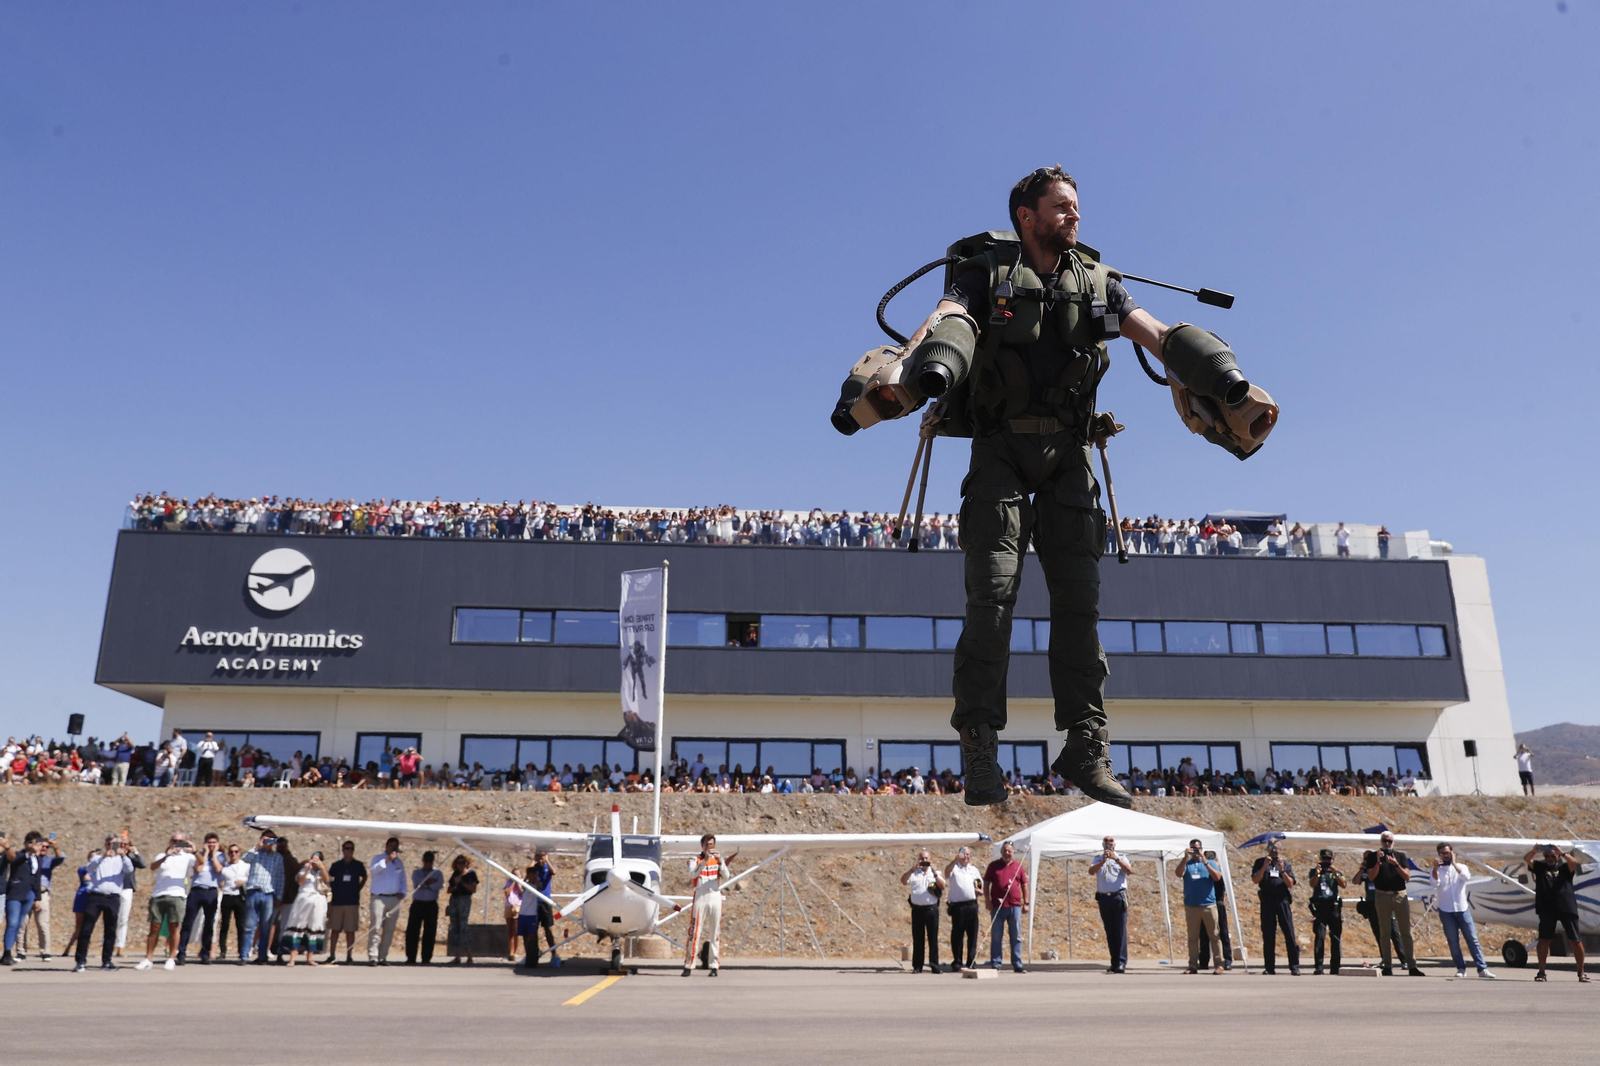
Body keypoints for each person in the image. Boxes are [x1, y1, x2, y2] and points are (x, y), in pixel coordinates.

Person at [903, 166, 1181, 809]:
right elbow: (947, 316)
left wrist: (1212, 372)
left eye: (1077, 206)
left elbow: (1154, 333)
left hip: (1070, 455)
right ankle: (979, 745)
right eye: (1062, 207)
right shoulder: (984, 275)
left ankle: (1087, 746)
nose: (1074, 217)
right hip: (999, 448)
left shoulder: (1097, 283)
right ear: (1027, 216)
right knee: (992, 598)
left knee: (1080, 606)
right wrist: (906, 368)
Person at [1362, 832, 1424, 976]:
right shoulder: (1373, 856)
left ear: (1393, 842)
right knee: (1385, 932)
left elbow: (1407, 877)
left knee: (1405, 932)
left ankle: (1411, 965)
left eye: (1389, 841)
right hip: (1382, 895)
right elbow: (1371, 876)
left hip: (1399, 895)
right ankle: (1387, 965)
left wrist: (1395, 864)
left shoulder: (1400, 856)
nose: (1387, 844)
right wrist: (1378, 861)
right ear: (1381, 841)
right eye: (1384, 841)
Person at [1526, 843, 1587, 983]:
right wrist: (1534, 851)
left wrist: (1563, 853)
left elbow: (1574, 862)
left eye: (1552, 856)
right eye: (1547, 856)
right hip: (1547, 909)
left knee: (1575, 940)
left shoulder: (1565, 868)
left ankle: (1581, 972)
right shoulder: (1540, 868)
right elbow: (1527, 860)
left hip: (1567, 908)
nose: (1549, 858)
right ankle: (1541, 972)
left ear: (1557, 856)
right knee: (1544, 940)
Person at [1431, 844, 1493, 979]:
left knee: (1472, 939)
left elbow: (1466, 877)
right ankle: (1461, 968)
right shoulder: (1436, 870)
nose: (1445, 855)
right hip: (1446, 910)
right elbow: (1434, 884)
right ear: (1438, 855)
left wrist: (1453, 863)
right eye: (1442, 853)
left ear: (1452, 853)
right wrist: (1435, 869)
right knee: (1453, 941)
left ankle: (1482, 969)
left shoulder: (1461, 867)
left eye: (1447, 852)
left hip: (1462, 909)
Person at [75, 836, 133, 972]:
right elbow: (89, 867)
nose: (113, 847)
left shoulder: (122, 860)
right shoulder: (97, 858)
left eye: (115, 844)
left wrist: (123, 855)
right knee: (86, 928)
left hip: (113, 897)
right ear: (106, 844)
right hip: (96, 896)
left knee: (110, 930)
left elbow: (129, 869)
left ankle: (107, 960)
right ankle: (81, 960)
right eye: (110, 844)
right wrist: (103, 858)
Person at [683, 833, 733, 977]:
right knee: (694, 931)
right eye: (706, 844)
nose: (708, 847)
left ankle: (714, 966)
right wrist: (704, 860)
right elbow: (693, 874)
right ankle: (689, 965)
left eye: (711, 844)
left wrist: (720, 861)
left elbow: (726, 875)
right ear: (702, 846)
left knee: (715, 932)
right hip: (700, 894)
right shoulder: (694, 859)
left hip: (715, 894)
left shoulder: (717, 860)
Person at [1251, 841, 1301, 975]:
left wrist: (1282, 870)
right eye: (1271, 848)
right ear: (1267, 849)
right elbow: (1255, 880)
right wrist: (1264, 867)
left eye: (1276, 848)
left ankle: (1294, 966)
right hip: (1267, 901)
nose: (1274, 851)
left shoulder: (1285, 864)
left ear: (1280, 849)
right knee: (1268, 935)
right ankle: (1269, 967)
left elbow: (1290, 883)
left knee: (1289, 933)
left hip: (1282, 901)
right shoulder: (1260, 862)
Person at [176, 833, 225, 964]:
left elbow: (218, 869)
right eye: (209, 842)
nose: (211, 845)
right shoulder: (198, 856)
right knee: (188, 922)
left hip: (211, 891)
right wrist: (206, 853)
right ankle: (181, 952)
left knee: (209, 924)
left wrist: (213, 854)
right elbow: (198, 868)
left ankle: (205, 953)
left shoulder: (221, 856)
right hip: (197, 890)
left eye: (214, 842)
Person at [239, 828, 285, 965]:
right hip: (253, 891)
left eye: (272, 839)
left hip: (268, 894)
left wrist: (279, 896)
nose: (269, 842)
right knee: (248, 926)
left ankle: (262, 955)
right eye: (266, 839)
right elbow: (245, 859)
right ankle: (244, 955)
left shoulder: (277, 857)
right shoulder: (256, 854)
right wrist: (257, 846)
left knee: (265, 926)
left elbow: (280, 878)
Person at [983, 841, 1029, 973]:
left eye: (1009, 851)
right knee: (996, 936)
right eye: (1005, 850)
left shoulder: (1018, 867)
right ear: (1001, 852)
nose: (1007, 853)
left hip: (1014, 906)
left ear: (1013, 852)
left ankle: (1017, 963)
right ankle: (996, 963)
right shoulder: (993, 866)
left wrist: (1026, 903)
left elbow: (1024, 885)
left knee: (1016, 936)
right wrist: (987, 900)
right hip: (997, 906)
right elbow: (986, 884)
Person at [1180, 839, 1224, 975]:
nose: (1195, 851)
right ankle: (1193, 965)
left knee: (1215, 936)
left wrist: (1205, 861)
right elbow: (1178, 873)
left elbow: (1217, 877)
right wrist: (1184, 858)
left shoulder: (1210, 863)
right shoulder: (1187, 864)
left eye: (1197, 848)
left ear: (1202, 848)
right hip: (1192, 906)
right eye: (1193, 848)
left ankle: (1219, 964)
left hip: (1208, 905)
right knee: (1193, 937)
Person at [1089, 834, 1131, 974]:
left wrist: (1116, 859)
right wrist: (1103, 861)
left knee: (1120, 931)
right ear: (1102, 844)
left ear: (1115, 844)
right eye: (1106, 841)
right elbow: (1091, 871)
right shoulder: (1098, 858)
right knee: (1110, 931)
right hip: (1104, 898)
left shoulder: (1122, 857)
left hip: (1118, 897)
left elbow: (1129, 871)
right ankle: (1114, 962)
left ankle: (1121, 962)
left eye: (1111, 841)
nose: (1109, 843)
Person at [19, 834, 64, 962]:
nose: (44, 848)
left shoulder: (48, 861)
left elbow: (60, 858)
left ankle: (45, 951)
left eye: (46, 846)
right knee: (22, 923)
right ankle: (21, 952)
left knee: (43, 924)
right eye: (41, 845)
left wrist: (56, 847)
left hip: (42, 894)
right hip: (26, 893)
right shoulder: (27, 858)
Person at [281, 850, 329, 966]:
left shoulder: (322, 871)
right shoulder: (304, 870)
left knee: (314, 926)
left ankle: (310, 957)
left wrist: (321, 868)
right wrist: (308, 869)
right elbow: (300, 882)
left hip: (318, 900)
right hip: (303, 899)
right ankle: (292, 958)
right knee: (297, 926)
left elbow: (327, 881)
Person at [901, 849, 946, 973]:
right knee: (918, 938)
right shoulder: (914, 873)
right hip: (917, 909)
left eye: (926, 858)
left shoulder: (935, 872)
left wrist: (935, 873)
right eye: (922, 858)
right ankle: (917, 966)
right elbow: (903, 881)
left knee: (933, 938)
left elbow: (942, 886)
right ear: (918, 860)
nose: (924, 861)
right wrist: (911, 870)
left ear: (930, 860)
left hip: (931, 909)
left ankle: (934, 965)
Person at [367, 836, 406, 965]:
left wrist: (402, 892)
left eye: (395, 846)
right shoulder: (378, 859)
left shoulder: (399, 863)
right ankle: (373, 956)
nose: (393, 848)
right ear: (386, 846)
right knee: (376, 928)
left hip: (394, 898)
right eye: (391, 845)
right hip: (379, 898)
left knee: (389, 929)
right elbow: (373, 871)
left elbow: (403, 879)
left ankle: (383, 956)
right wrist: (387, 860)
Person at [325, 840, 365, 964]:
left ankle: (349, 955)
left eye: (351, 849)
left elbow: (365, 876)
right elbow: (329, 878)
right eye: (347, 848)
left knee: (350, 930)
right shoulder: (336, 865)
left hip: (352, 901)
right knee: (335, 929)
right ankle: (332, 954)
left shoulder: (358, 865)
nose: (349, 851)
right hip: (338, 901)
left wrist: (358, 888)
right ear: (343, 850)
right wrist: (333, 888)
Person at [1306, 848, 1345, 975]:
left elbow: (1343, 884)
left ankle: (1335, 966)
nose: (1326, 862)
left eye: (1328, 859)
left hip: (1333, 906)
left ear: (1332, 860)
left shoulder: (1336, 872)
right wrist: (1317, 873)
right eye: (1324, 859)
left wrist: (1335, 873)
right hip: (1320, 906)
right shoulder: (1314, 872)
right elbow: (1312, 884)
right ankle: (1319, 965)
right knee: (1320, 936)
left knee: (1335, 937)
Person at [943, 846, 982, 971]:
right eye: (964, 854)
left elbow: (980, 884)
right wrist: (954, 861)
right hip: (958, 906)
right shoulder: (954, 868)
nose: (966, 856)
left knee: (972, 934)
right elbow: (946, 873)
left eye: (968, 854)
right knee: (958, 935)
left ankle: (971, 961)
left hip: (972, 905)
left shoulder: (974, 869)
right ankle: (957, 961)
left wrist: (979, 890)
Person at [519, 850, 560, 968]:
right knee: (532, 931)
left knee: (548, 929)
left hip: (545, 901)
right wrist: (534, 860)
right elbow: (528, 872)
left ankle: (554, 954)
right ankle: (531, 954)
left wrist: (547, 860)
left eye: (542, 857)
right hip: (534, 902)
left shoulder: (548, 867)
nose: (540, 860)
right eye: (539, 858)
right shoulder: (534, 868)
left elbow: (554, 872)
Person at [405, 851, 444, 964]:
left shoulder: (438, 873)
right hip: (417, 903)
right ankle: (411, 957)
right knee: (412, 931)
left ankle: (426, 958)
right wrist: (429, 883)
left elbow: (439, 885)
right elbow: (418, 882)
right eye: (426, 860)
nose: (428, 863)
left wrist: (426, 884)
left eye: (430, 861)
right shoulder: (416, 872)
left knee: (430, 932)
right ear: (423, 861)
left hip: (431, 904)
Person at [217, 843, 249, 961]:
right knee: (224, 924)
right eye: (231, 852)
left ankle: (242, 950)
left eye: (236, 851)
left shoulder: (245, 866)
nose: (233, 854)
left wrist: (243, 882)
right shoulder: (225, 868)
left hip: (240, 897)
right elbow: (220, 881)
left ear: (239, 853)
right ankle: (222, 950)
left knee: (240, 925)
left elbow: (250, 878)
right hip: (227, 896)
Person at [445, 854, 478, 964]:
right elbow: (449, 889)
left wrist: (462, 883)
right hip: (454, 899)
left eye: (463, 862)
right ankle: (457, 955)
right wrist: (455, 885)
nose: (461, 865)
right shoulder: (455, 874)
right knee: (455, 927)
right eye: (459, 863)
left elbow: (473, 889)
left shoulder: (471, 874)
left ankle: (469, 955)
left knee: (464, 926)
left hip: (465, 900)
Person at [503, 874, 523, 962]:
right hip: (509, 906)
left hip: (518, 906)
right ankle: (511, 951)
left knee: (516, 931)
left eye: (517, 875)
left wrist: (518, 883)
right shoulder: (509, 883)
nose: (515, 876)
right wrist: (513, 883)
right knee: (510, 931)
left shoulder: (522, 882)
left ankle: (515, 951)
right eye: (514, 875)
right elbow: (507, 893)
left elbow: (522, 893)